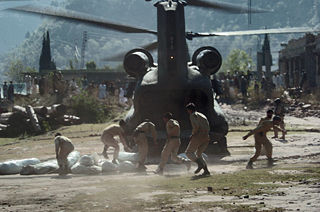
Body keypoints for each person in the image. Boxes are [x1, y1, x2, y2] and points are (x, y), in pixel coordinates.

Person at [185, 103, 210, 176]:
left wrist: (193, 134)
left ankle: (200, 164)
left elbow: (196, 126)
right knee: (199, 154)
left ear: (189, 110)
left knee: (188, 153)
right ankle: (206, 171)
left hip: (199, 135)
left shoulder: (193, 115)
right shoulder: (201, 115)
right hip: (206, 136)